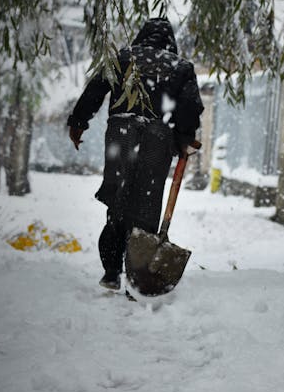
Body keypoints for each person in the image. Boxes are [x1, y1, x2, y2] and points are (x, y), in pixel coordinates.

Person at [67, 17, 204, 290]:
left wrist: (78, 121)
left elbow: (96, 89)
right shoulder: (181, 67)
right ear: (170, 41)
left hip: (120, 135)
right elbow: (189, 107)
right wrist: (185, 138)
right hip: (158, 138)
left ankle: (111, 272)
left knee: (118, 202)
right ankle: (139, 274)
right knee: (147, 204)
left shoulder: (124, 57)